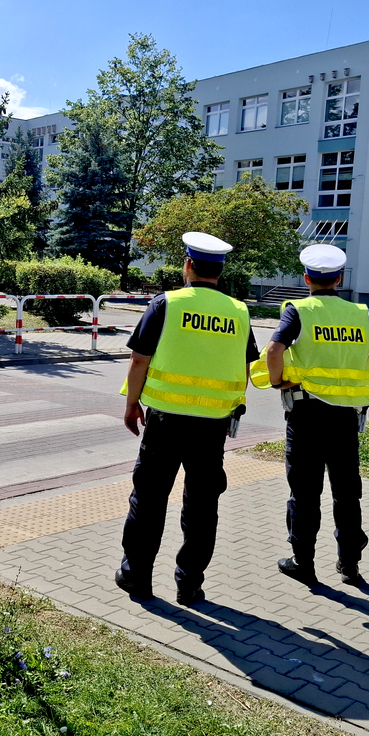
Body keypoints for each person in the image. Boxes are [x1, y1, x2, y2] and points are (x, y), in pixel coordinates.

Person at [114, 232, 259, 606]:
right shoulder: (239, 311)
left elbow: (140, 360)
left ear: (188, 266)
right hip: (213, 426)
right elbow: (245, 368)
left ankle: (137, 578)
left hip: (165, 422)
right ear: (219, 272)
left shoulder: (167, 304)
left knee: (148, 500)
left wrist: (132, 405)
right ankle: (189, 584)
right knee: (202, 505)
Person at [251, 244, 369, 586]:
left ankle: (302, 562)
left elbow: (274, 349)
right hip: (346, 418)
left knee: (305, 492)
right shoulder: (361, 313)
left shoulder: (299, 311)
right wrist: (367, 391)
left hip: (306, 414)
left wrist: (277, 382)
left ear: (307, 279)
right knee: (346, 492)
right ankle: (349, 565)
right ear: (338, 279)